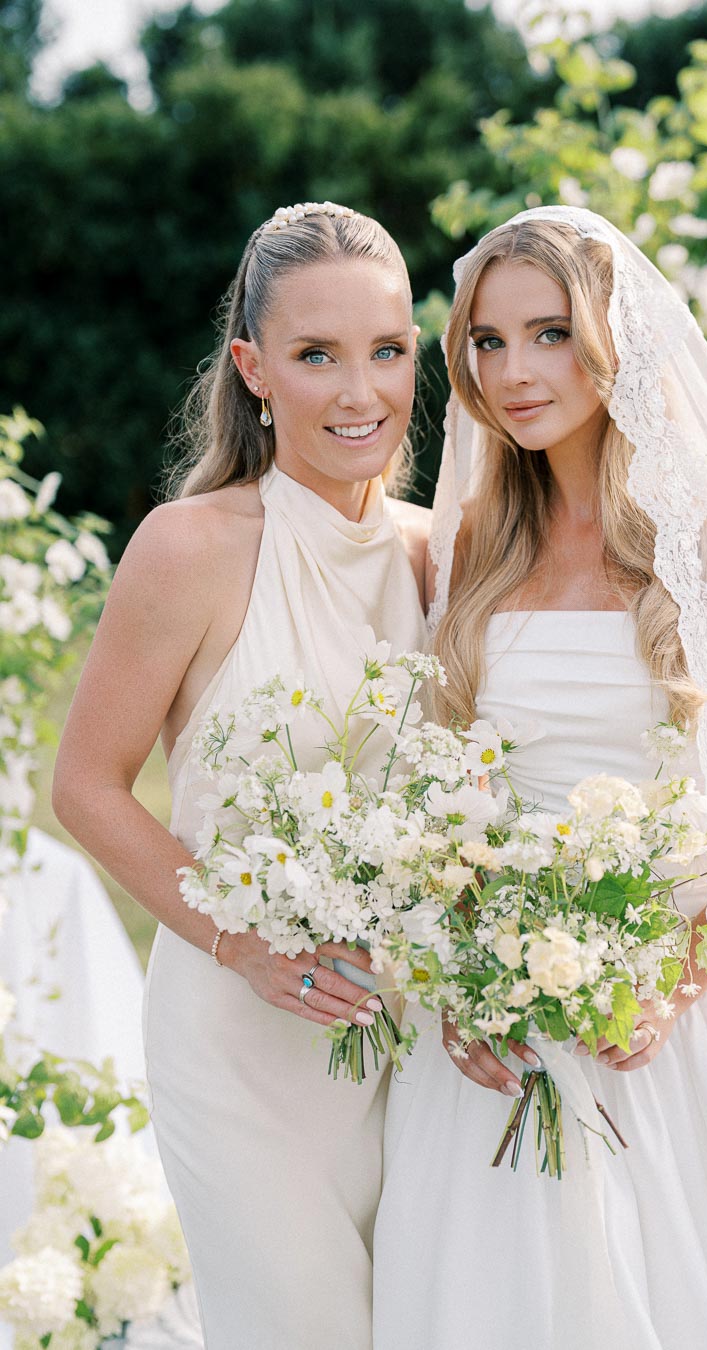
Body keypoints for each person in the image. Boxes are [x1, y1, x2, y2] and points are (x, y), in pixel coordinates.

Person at [374, 207, 707, 1349]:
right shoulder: (462, 549)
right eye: (487, 340)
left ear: (617, 336)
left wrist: (668, 981)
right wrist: (466, 979)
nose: (514, 373)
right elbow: (436, 799)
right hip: (493, 1041)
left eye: (550, 332)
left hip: (674, 1007)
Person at [53, 201, 429, 1350]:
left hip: (413, 1035)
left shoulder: (443, 549)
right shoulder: (191, 545)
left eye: (388, 350)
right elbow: (88, 788)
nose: (359, 391)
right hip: (241, 1038)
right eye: (317, 356)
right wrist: (247, 945)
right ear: (254, 369)